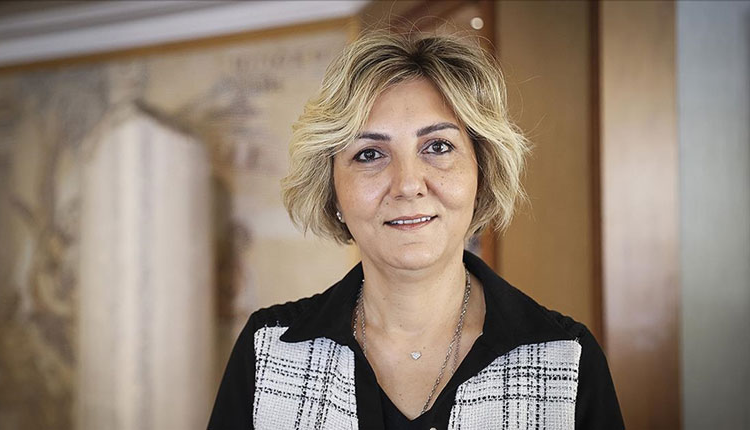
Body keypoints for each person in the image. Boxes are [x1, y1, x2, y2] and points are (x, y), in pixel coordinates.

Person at [208, 31, 624, 430]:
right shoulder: (266, 352)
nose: (407, 184)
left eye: (438, 147)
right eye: (369, 154)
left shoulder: (569, 361)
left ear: (482, 173)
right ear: (332, 191)